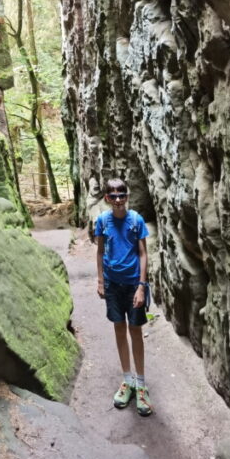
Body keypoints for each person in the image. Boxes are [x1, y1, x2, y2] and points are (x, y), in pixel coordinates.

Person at [95, 177, 152, 416]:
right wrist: (100, 281)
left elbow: (143, 254)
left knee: (135, 330)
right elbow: (99, 251)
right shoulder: (102, 221)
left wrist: (141, 286)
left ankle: (140, 384)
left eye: (122, 195)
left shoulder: (136, 220)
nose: (118, 200)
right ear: (107, 198)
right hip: (112, 285)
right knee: (119, 328)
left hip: (132, 285)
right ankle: (127, 380)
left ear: (127, 196)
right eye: (113, 196)